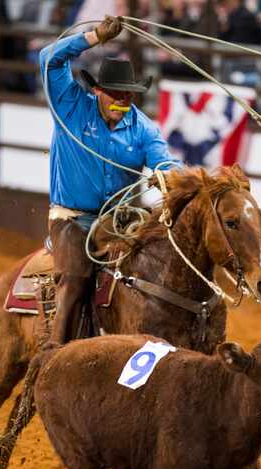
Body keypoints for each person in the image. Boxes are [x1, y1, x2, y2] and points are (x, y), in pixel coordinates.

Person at [38, 16, 179, 345]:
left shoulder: (143, 128)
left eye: (129, 96)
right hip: (73, 219)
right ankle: (54, 350)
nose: (123, 101)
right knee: (75, 277)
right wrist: (94, 36)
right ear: (98, 91)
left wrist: (167, 176)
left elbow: (165, 162)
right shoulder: (71, 106)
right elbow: (49, 58)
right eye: (116, 94)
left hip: (124, 220)